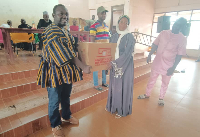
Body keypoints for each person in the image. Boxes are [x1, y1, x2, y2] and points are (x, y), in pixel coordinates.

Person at [36, 4, 91, 137]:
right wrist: (83, 66)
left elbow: (73, 45)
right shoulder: (51, 31)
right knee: (54, 99)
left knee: (66, 96)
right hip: (53, 72)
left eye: (66, 14)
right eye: (61, 14)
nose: (64, 16)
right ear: (54, 15)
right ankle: (55, 124)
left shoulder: (64, 30)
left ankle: (66, 116)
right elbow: (65, 53)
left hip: (65, 72)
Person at [137, 17, 188, 106]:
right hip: (157, 62)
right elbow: (155, 44)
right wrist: (149, 55)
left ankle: (161, 98)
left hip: (169, 65)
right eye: (175, 23)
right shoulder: (164, 33)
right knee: (151, 79)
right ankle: (147, 94)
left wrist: (173, 68)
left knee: (165, 82)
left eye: (178, 25)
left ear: (182, 27)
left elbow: (179, 56)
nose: (175, 26)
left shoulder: (182, 39)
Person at [106, 15, 135, 118]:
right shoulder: (114, 36)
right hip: (114, 65)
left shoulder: (130, 37)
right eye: (121, 22)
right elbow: (109, 50)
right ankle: (113, 106)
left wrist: (114, 63)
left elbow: (127, 53)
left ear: (128, 24)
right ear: (118, 23)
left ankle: (122, 109)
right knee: (115, 86)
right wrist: (107, 62)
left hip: (125, 65)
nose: (123, 24)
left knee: (123, 86)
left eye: (125, 22)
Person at [90, 6, 109, 91]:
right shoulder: (94, 26)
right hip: (97, 50)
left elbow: (108, 39)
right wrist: (93, 51)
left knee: (104, 67)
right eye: (102, 13)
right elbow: (92, 40)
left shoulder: (106, 26)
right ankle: (96, 84)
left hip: (105, 51)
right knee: (96, 67)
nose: (104, 14)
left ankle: (104, 82)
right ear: (98, 14)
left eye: (105, 13)